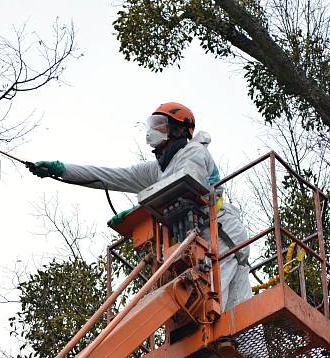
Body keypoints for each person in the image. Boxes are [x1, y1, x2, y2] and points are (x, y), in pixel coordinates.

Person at [28, 102, 251, 310]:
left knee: (211, 304)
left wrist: (139, 211)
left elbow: (185, 183)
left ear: (179, 130)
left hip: (221, 233)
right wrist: (62, 171)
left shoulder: (194, 152)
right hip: (204, 239)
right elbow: (110, 176)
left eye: (159, 125)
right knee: (228, 310)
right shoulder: (157, 169)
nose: (152, 131)